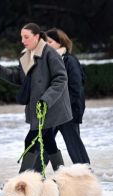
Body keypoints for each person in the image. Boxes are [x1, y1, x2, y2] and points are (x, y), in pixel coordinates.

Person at [0, 22, 72, 173]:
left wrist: (46, 100)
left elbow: (61, 79)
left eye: (26, 37)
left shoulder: (49, 53)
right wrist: (0, 70)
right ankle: (62, 175)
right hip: (37, 108)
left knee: (30, 140)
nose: (23, 40)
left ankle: (22, 179)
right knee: (48, 142)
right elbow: (19, 78)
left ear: (36, 37)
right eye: (22, 37)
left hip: (50, 108)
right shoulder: (26, 56)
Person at [46, 28, 90, 164]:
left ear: (60, 43)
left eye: (50, 41)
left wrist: (65, 107)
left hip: (68, 112)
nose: (46, 44)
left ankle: (86, 175)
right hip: (52, 112)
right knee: (43, 144)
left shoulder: (70, 61)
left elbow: (76, 88)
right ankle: (29, 178)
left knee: (74, 147)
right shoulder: (47, 61)